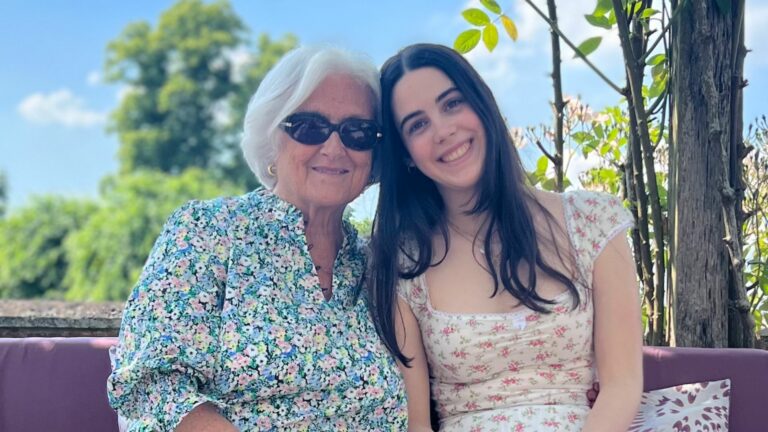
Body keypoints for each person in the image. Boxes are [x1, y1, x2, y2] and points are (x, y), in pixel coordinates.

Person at [107, 45, 408, 431]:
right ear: (272, 138)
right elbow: (152, 390)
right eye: (309, 127)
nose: (334, 147)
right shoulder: (208, 231)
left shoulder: (378, 265)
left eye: (358, 132)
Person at [369, 43, 642, 431]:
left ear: (483, 106)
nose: (444, 131)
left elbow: (622, 385)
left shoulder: (592, 222)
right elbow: (418, 426)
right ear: (407, 155)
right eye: (417, 124)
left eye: (451, 104)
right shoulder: (404, 264)